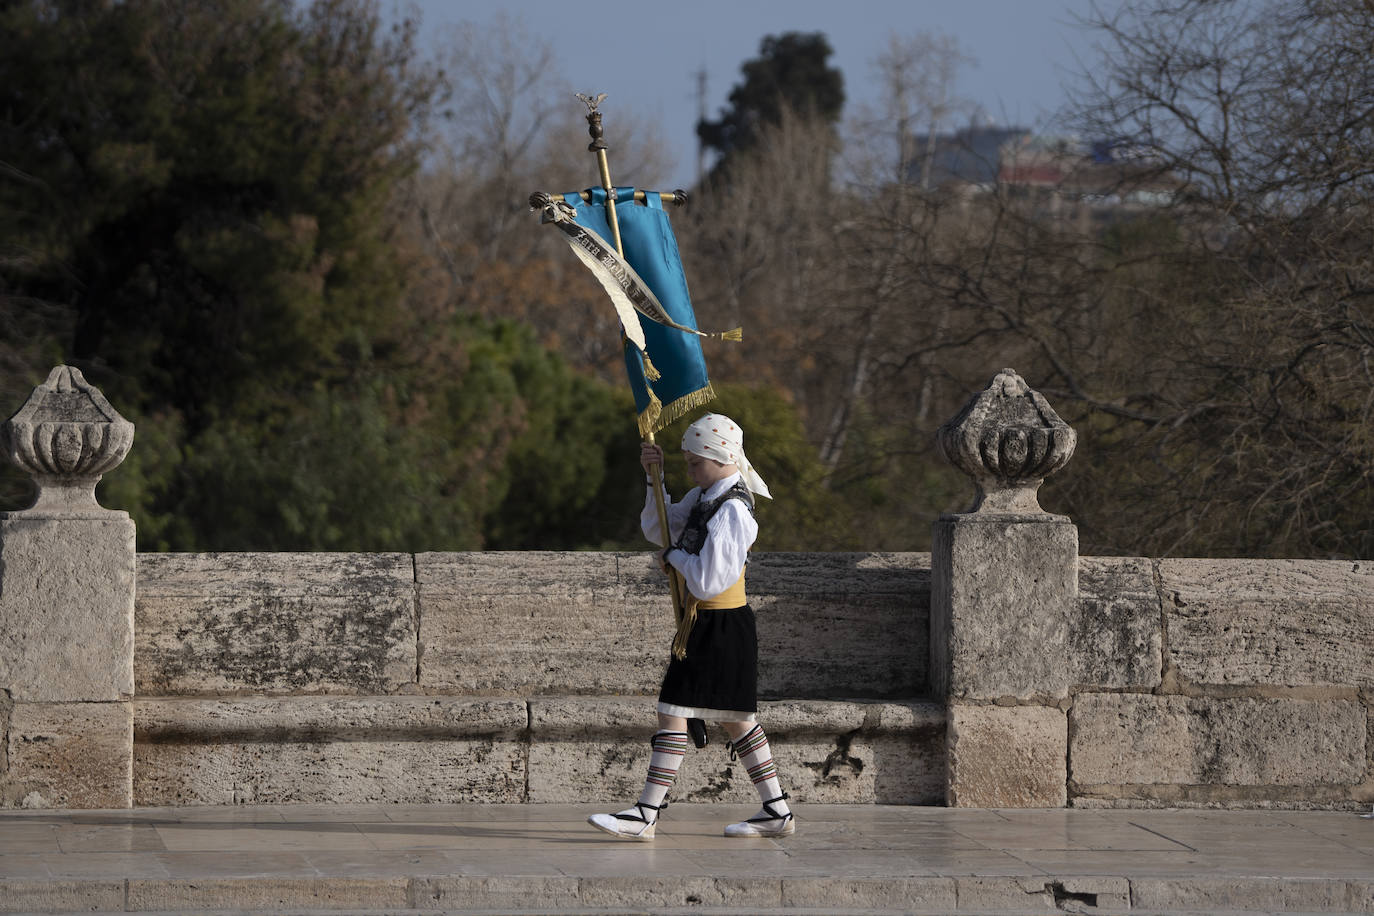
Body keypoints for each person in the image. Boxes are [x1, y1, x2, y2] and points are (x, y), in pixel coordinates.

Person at [587, 413, 795, 841]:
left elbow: (706, 578)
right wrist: (653, 478)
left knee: (676, 714)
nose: (691, 470)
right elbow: (659, 526)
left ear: (720, 457)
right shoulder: (707, 497)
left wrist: (674, 559)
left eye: (694, 462)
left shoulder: (733, 509)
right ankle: (775, 809)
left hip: (720, 624)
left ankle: (646, 813)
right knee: (736, 720)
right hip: (708, 624)